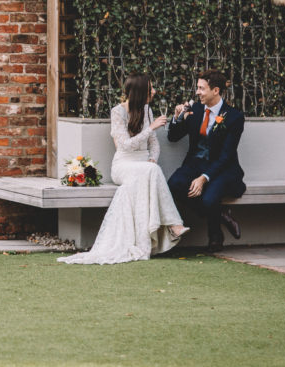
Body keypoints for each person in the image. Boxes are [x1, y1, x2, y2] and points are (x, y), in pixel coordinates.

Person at [58, 74, 189, 265]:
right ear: (139, 92)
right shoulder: (117, 112)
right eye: (149, 88)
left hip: (144, 166)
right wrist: (150, 128)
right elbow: (124, 146)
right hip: (123, 165)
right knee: (152, 172)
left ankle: (170, 227)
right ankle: (174, 224)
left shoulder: (147, 110)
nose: (153, 92)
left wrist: (153, 158)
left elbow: (154, 144)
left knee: (151, 170)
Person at [167, 70, 246, 252]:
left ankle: (215, 237)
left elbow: (226, 155)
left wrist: (204, 177)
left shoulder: (234, 117)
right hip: (195, 162)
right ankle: (221, 215)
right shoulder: (194, 110)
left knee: (210, 198)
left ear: (215, 90)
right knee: (174, 184)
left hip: (223, 167)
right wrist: (177, 117)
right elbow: (173, 137)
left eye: (202, 88)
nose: (197, 92)